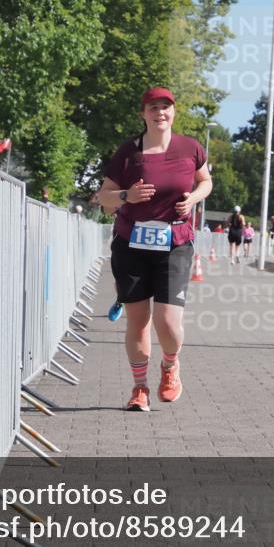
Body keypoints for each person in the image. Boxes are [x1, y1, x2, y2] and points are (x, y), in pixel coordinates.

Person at [97, 87, 212, 412]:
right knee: (138, 320)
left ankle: (170, 365)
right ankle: (140, 387)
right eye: (153, 108)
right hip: (131, 244)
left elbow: (205, 181)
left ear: (174, 112)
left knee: (169, 322)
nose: (160, 112)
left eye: (165, 107)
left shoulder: (190, 148)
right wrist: (126, 196)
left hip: (175, 243)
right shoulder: (128, 152)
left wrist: (193, 198)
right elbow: (104, 198)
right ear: (143, 114)